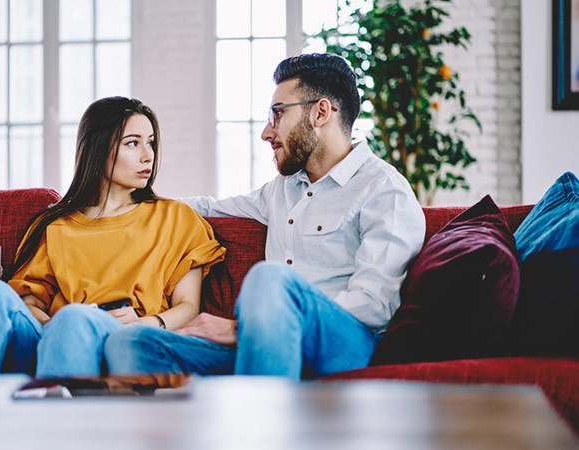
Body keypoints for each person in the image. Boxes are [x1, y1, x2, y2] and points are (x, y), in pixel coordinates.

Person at [103, 53, 426, 379]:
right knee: (130, 343)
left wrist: (242, 327)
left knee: (269, 279)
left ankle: (261, 422)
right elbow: (208, 207)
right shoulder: (283, 190)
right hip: (262, 344)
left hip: (345, 345)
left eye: (278, 114)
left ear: (321, 113)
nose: (267, 133)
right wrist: (115, 203)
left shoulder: (384, 190)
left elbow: (374, 307)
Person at [0, 96, 225, 377]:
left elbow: (188, 306)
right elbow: (31, 302)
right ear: (97, 149)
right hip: (47, 339)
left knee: (76, 317)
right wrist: (52, 327)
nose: (148, 155)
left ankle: (59, 421)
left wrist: (149, 323)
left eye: (150, 142)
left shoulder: (176, 218)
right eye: (133, 143)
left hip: (115, 337)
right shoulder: (57, 225)